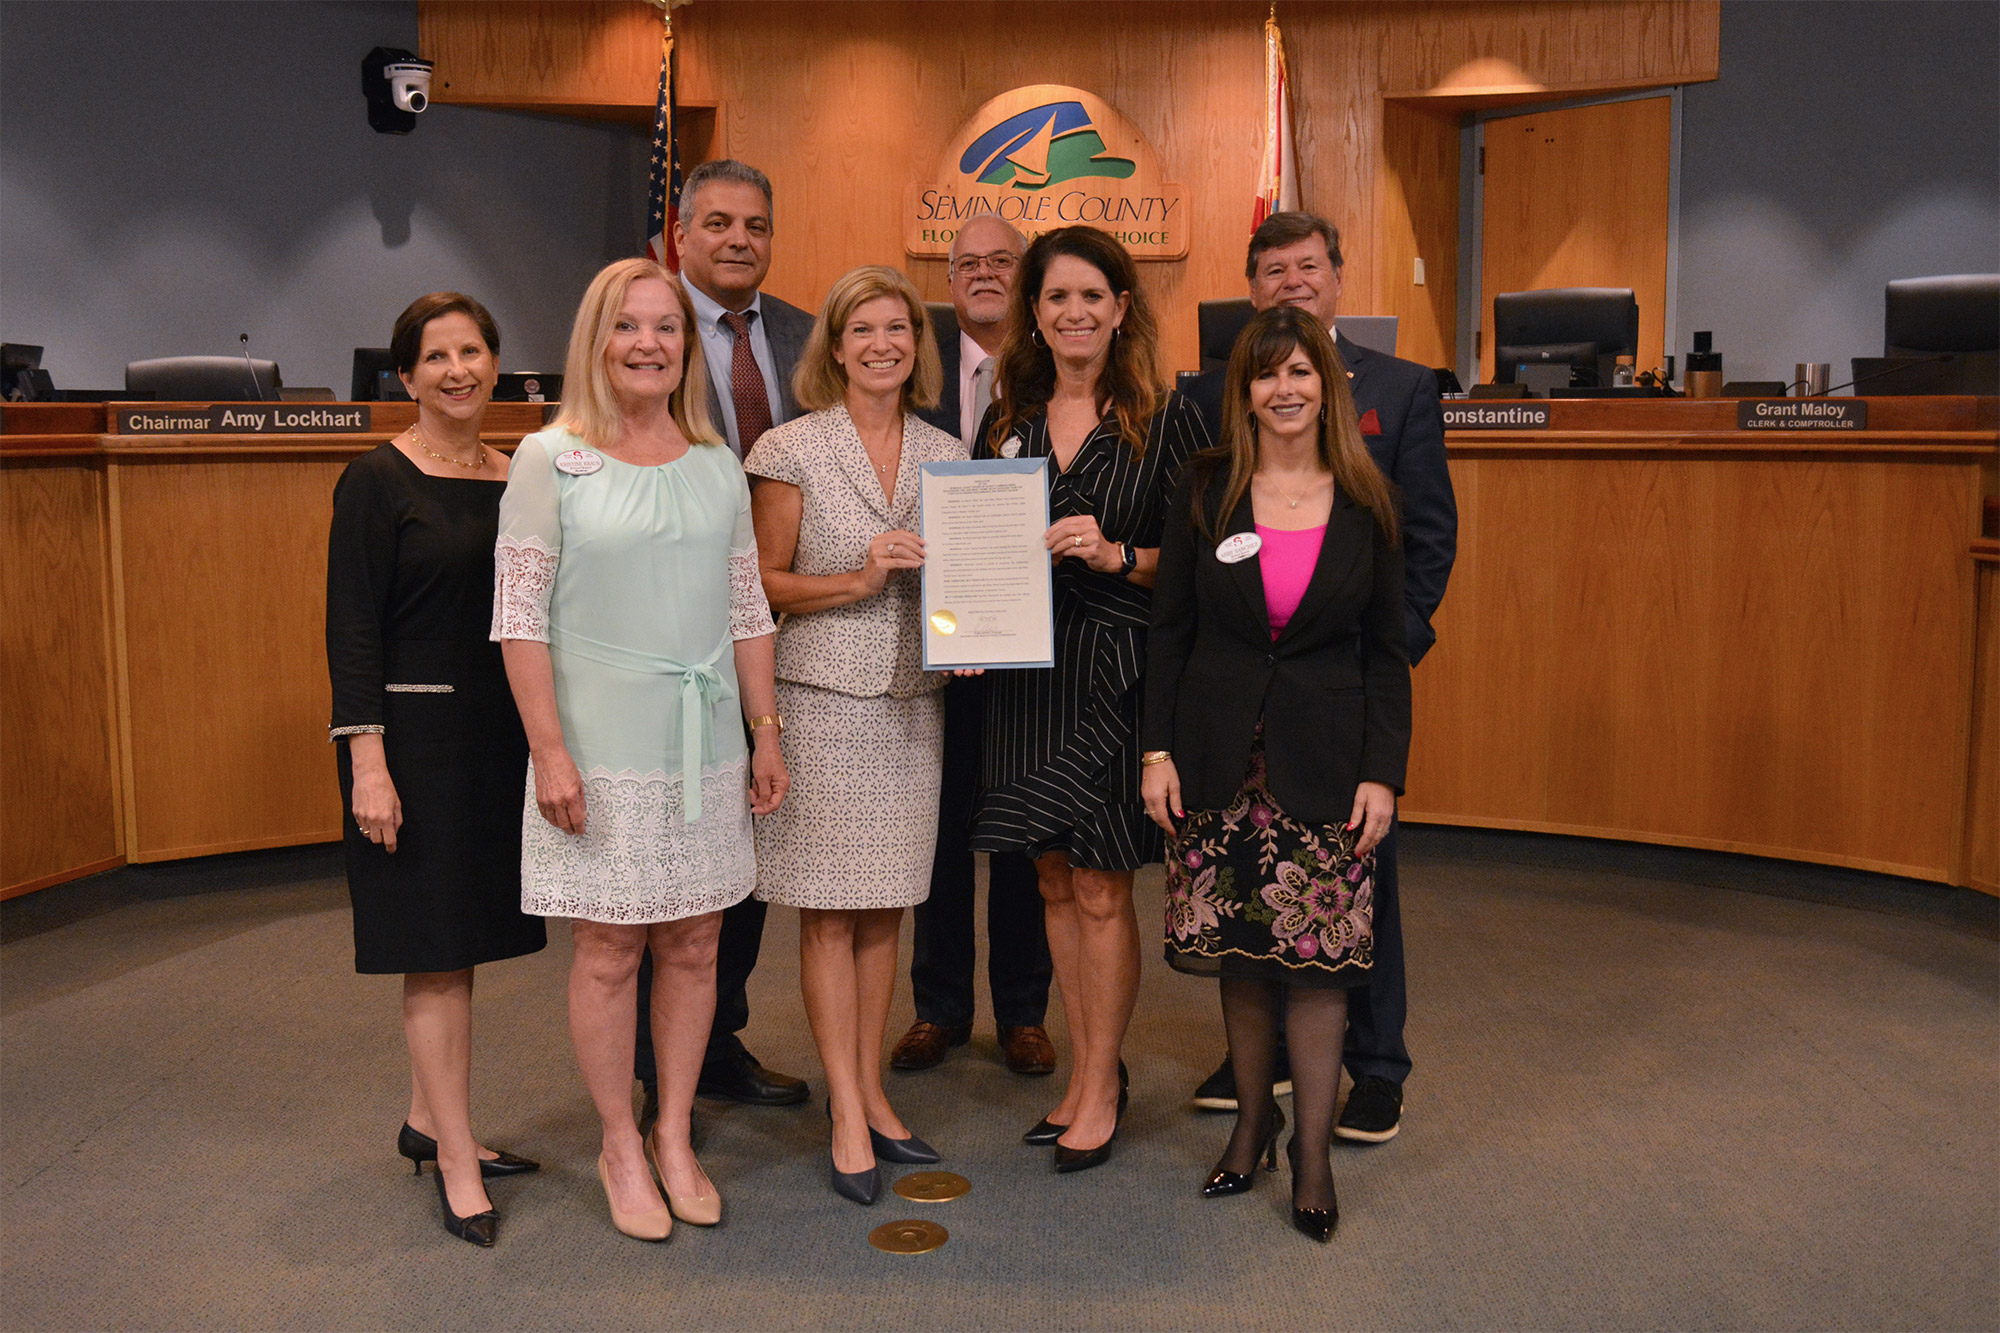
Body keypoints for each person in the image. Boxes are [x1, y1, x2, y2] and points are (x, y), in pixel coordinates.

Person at [493, 258, 788, 1241]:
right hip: (599, 745)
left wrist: (764, 731)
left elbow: (746, 607)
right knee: (611, 948)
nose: (649, 343)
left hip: (702, 745)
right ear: (596, 339)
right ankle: (618, 1140)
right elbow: (518, 617)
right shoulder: (549, 457)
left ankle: (672, 1133)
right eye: (628, 326)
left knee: (698, 942)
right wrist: (548, 751)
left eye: (666, 327)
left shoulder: (715, 462)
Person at [1181, 210, 1455, 1141]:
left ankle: (1374, 1066)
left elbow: (1424, 548)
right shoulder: (1216, 398)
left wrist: (1370, 685)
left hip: (1343, 703)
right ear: (1252, 286)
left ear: (1337, 277)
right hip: (1242, 707)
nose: (1292, 281)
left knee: (1358, 893)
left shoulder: (1404, 390)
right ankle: (1267, 1065)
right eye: (1273, 269)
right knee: (1254, 886)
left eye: (1308, 266)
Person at [1144, 305, 1412, 1241]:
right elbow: (1169, 630)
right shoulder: (1206, 484)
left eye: (1302, 371)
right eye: (1267, 374)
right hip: (1220, 762)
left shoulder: (1368, 496)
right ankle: (1251, 1126)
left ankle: (1310, 1155)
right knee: (1245, 957)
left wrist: (1384, 772)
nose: (1286, 388)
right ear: (1244, 390)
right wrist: (1157, 750)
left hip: (1329, 767)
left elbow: (1387, 654)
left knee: (1319, 964)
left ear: (1326, 385)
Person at [970, 225, 1211, 1172]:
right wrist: (966, 627)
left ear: (1121, 309)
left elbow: (1196, 571)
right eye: (1056, 297)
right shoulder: (1008, 418)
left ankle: (1102, 1080)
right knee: (1052, 883)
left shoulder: (1169, 417)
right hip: (1024, 676)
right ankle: (1080, 1073)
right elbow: (980, 549)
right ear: (1034, 312)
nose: (1074, 312)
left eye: (1092, 296)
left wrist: (1116, 555)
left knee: (1105, 888)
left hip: (1117, 671)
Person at [327, 291, 546, 1248]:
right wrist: (365, 760)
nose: (458, 369)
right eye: (436, 355)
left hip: (500, 741)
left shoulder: (521, 474)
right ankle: (456, 1158)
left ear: (496, 364)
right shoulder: (375, 479)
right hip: (412, 746)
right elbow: (353, 629)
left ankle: (431, 1117)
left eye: (473, 351)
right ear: (406, 375)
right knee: (434, 953)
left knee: (465, 942)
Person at [744, 265, 965, 1204]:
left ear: (920, 346)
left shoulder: (951, 453)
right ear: (834, 347)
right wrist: (857, 580)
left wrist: (975, 635)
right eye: (864, 329)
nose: (883, 344)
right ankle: (843, 1108)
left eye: (900, 329)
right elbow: (757, 583)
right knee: (830, 911)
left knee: (888, 909)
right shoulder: (788, 447)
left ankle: (873, 1089)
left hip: (915, 704)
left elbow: (967, 584)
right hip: (822, 700)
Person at [632, 158, 817, 1115]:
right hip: (664, 640)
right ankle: (653, 1066)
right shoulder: (641, 325)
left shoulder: (800, 333)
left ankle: (716, 1037)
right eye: (718, 223)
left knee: (745, 856)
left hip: (774, 630)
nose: (738, 239)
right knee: (661, 856)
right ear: (681, 230)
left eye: (754, 224)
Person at [894, 214, 1055, 1077]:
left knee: (1025, 831)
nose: (984, 274)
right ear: (948, 277)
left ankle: (1024, 1010)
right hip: (929, 641)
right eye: (968, 263)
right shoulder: (910, 368)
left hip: (1029, 644)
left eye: (1002, 262)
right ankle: (940, 1006)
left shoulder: (1055, 371)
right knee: (942, 828)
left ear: (1023, 277)